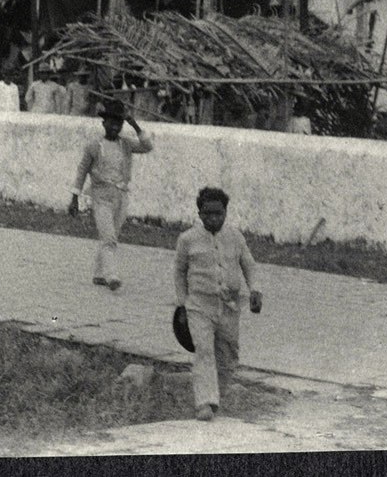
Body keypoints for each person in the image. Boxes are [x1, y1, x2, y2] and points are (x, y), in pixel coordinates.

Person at [173, 186, 263, 422]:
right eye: (208, 214)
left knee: (228, 356)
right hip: (198, 306)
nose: (213, 219)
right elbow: (179, 272)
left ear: (226, 212)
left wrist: (255, 289)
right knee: (203, 350)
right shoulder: (187, 240)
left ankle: (216, 398)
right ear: (200, 214)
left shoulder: (236, 237)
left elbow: (249, 266)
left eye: (218, 214)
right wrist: (182, 304)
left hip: (230, 307)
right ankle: (204, 402)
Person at [68, 99, 155, 290]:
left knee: (112, 233)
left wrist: (135, 125)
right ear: (103, 123)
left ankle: (99, 274)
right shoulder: (93, 146)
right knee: (109, 237)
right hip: (101, 196)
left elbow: (148, 146)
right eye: (111, 123)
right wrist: (75, 197)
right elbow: (82, 170)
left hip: (121, 195)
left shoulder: (126, 144)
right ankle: (111, 275)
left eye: (119, 123)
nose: (115, 127)